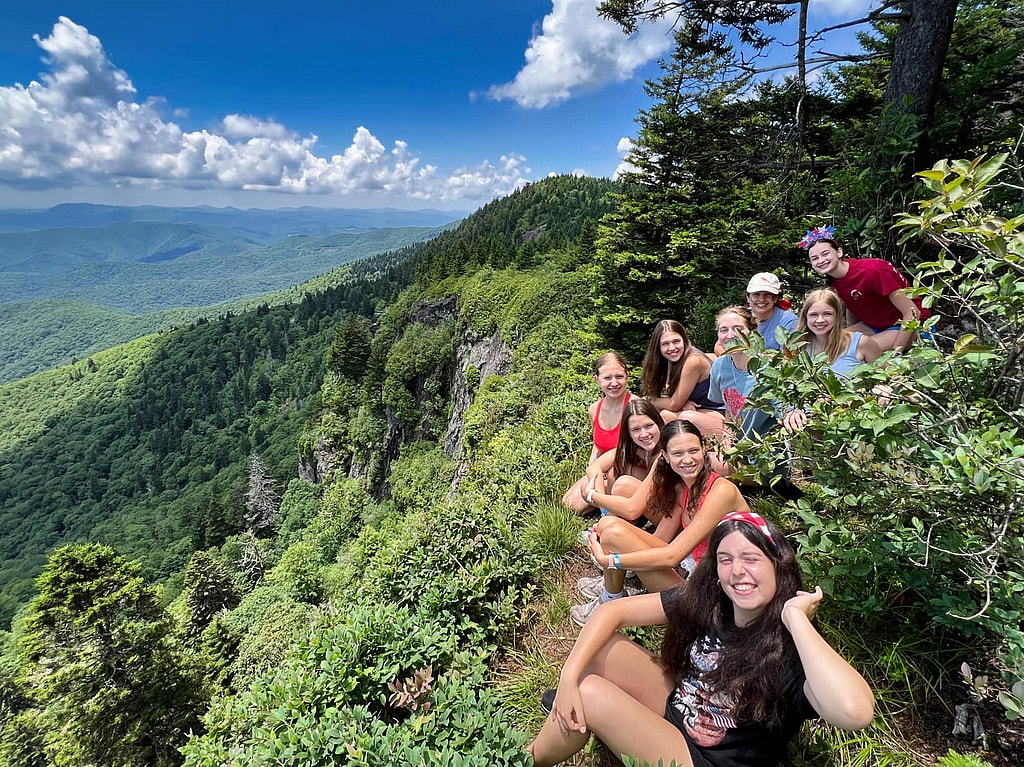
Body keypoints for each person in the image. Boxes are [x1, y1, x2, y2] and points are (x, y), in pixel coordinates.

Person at [526, 512, 876, 767]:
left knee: (590, 694)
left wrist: (795, 618)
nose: (738, 570)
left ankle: (523, 759)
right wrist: (567, 677)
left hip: (704, 760)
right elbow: (610, 614)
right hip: (679, 710)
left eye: (751, 559)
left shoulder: (791, 650)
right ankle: (577, 711)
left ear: (778, 566)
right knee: (600, 649)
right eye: (726, 559)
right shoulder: (715, 603)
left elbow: (856, 712)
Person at [571, 420, 748, 625]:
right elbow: (661, 542)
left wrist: (611, 560)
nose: (688, 459)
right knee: (609, 525)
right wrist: (618, 543)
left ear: (704, 449)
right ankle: (611, 591)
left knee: (613, 535)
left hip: (713, 597)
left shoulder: (721, 491)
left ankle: (609, 598)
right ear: (665, 456)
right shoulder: (684, 488)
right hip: (694, 570)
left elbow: (671, 556)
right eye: (678, 453)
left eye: (693, 450)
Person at [799, 225, 930, 353]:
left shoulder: (873, 271)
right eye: (815, 258)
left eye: (825, 254)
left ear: (839, 252)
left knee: (856, 350)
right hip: (874, 325)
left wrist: (896, 353)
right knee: (832, 343)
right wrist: (850, 330)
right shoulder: (835, 282)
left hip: (911, 325)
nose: (821, 260)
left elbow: (913, 313)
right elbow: (853, 303)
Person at [783, 288, 882, 433]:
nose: (820, 320)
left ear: (837, 315)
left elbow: (888, 377)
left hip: (853, 426)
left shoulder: (861, 343)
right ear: (805, 316)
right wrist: (791, 411)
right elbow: (785, 390)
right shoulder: (796, 348)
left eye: (827, 314)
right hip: (808, 428)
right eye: (814, 315)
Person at [562, 353, 634, 513]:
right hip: (604, 468)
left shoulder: (635, 406)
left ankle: (612, 513)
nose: (614, 383)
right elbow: (598, 443)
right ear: (597, 379)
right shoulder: (595, 409)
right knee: (569, 503)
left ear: (627, 376)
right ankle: (607, 505)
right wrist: (593, 464)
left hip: (629, 468)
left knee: (608, 485)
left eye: (619, 377)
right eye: (608, 378)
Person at [568, 399, 666, 517]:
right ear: (628, 433)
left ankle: (614, 519)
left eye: (649, 426)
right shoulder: (633, 448)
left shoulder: (666, 450)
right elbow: (594, 468)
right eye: (636, 429)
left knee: (622, 484)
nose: (644, 434)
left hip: (665, 510)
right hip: (644, 499)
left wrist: (596, 497)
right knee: (606, 476)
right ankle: (611, 515)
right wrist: (603, 505)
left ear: (658, 423)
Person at [641, 319, 726, 434]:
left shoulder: (693, 361)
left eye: (676, 341)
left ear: (684, 340)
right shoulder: (670, 362)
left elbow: (674, 404)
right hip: (700, 410)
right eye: (665, 344)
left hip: (719, 413)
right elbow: (673, 401)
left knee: (669, 416)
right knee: (653, 414)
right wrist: (683, 401)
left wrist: (648, 400)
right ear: (658, 347)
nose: (672, 348)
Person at [714, 273, 797, 355]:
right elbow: (719, 346)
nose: (761, 299)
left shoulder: (788, 320)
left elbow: (788, 357)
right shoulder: (742, 316)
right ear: (748, 297)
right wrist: (732, 360)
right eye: (756, 295)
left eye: (767, 295)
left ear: (775, 298)